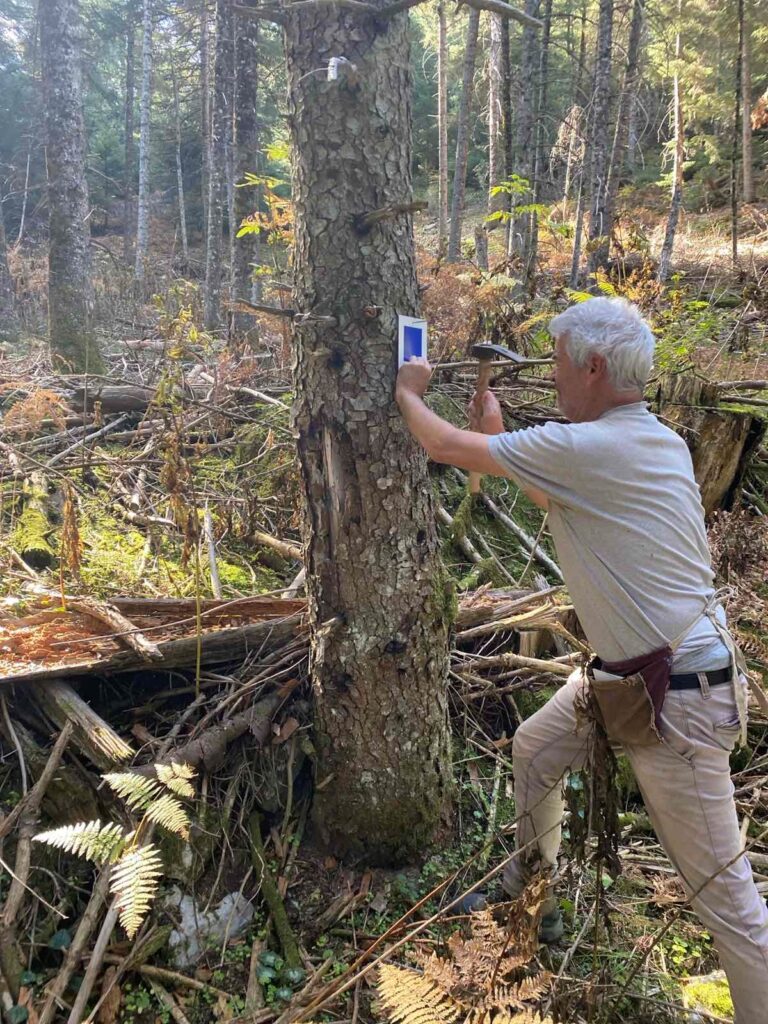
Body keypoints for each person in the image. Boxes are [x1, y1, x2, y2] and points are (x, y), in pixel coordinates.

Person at [395, 296, 768, 1023]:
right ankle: (535, 893)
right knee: (534, 747)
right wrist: (495, 422)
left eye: (561, 362)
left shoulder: (591, 448)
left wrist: (410, 390)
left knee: (727, 901)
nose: (556, 377)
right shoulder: (646, 440)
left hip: (676, 699)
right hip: (634, 679)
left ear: (594, 366)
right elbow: (540, 487)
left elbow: (441, 446)